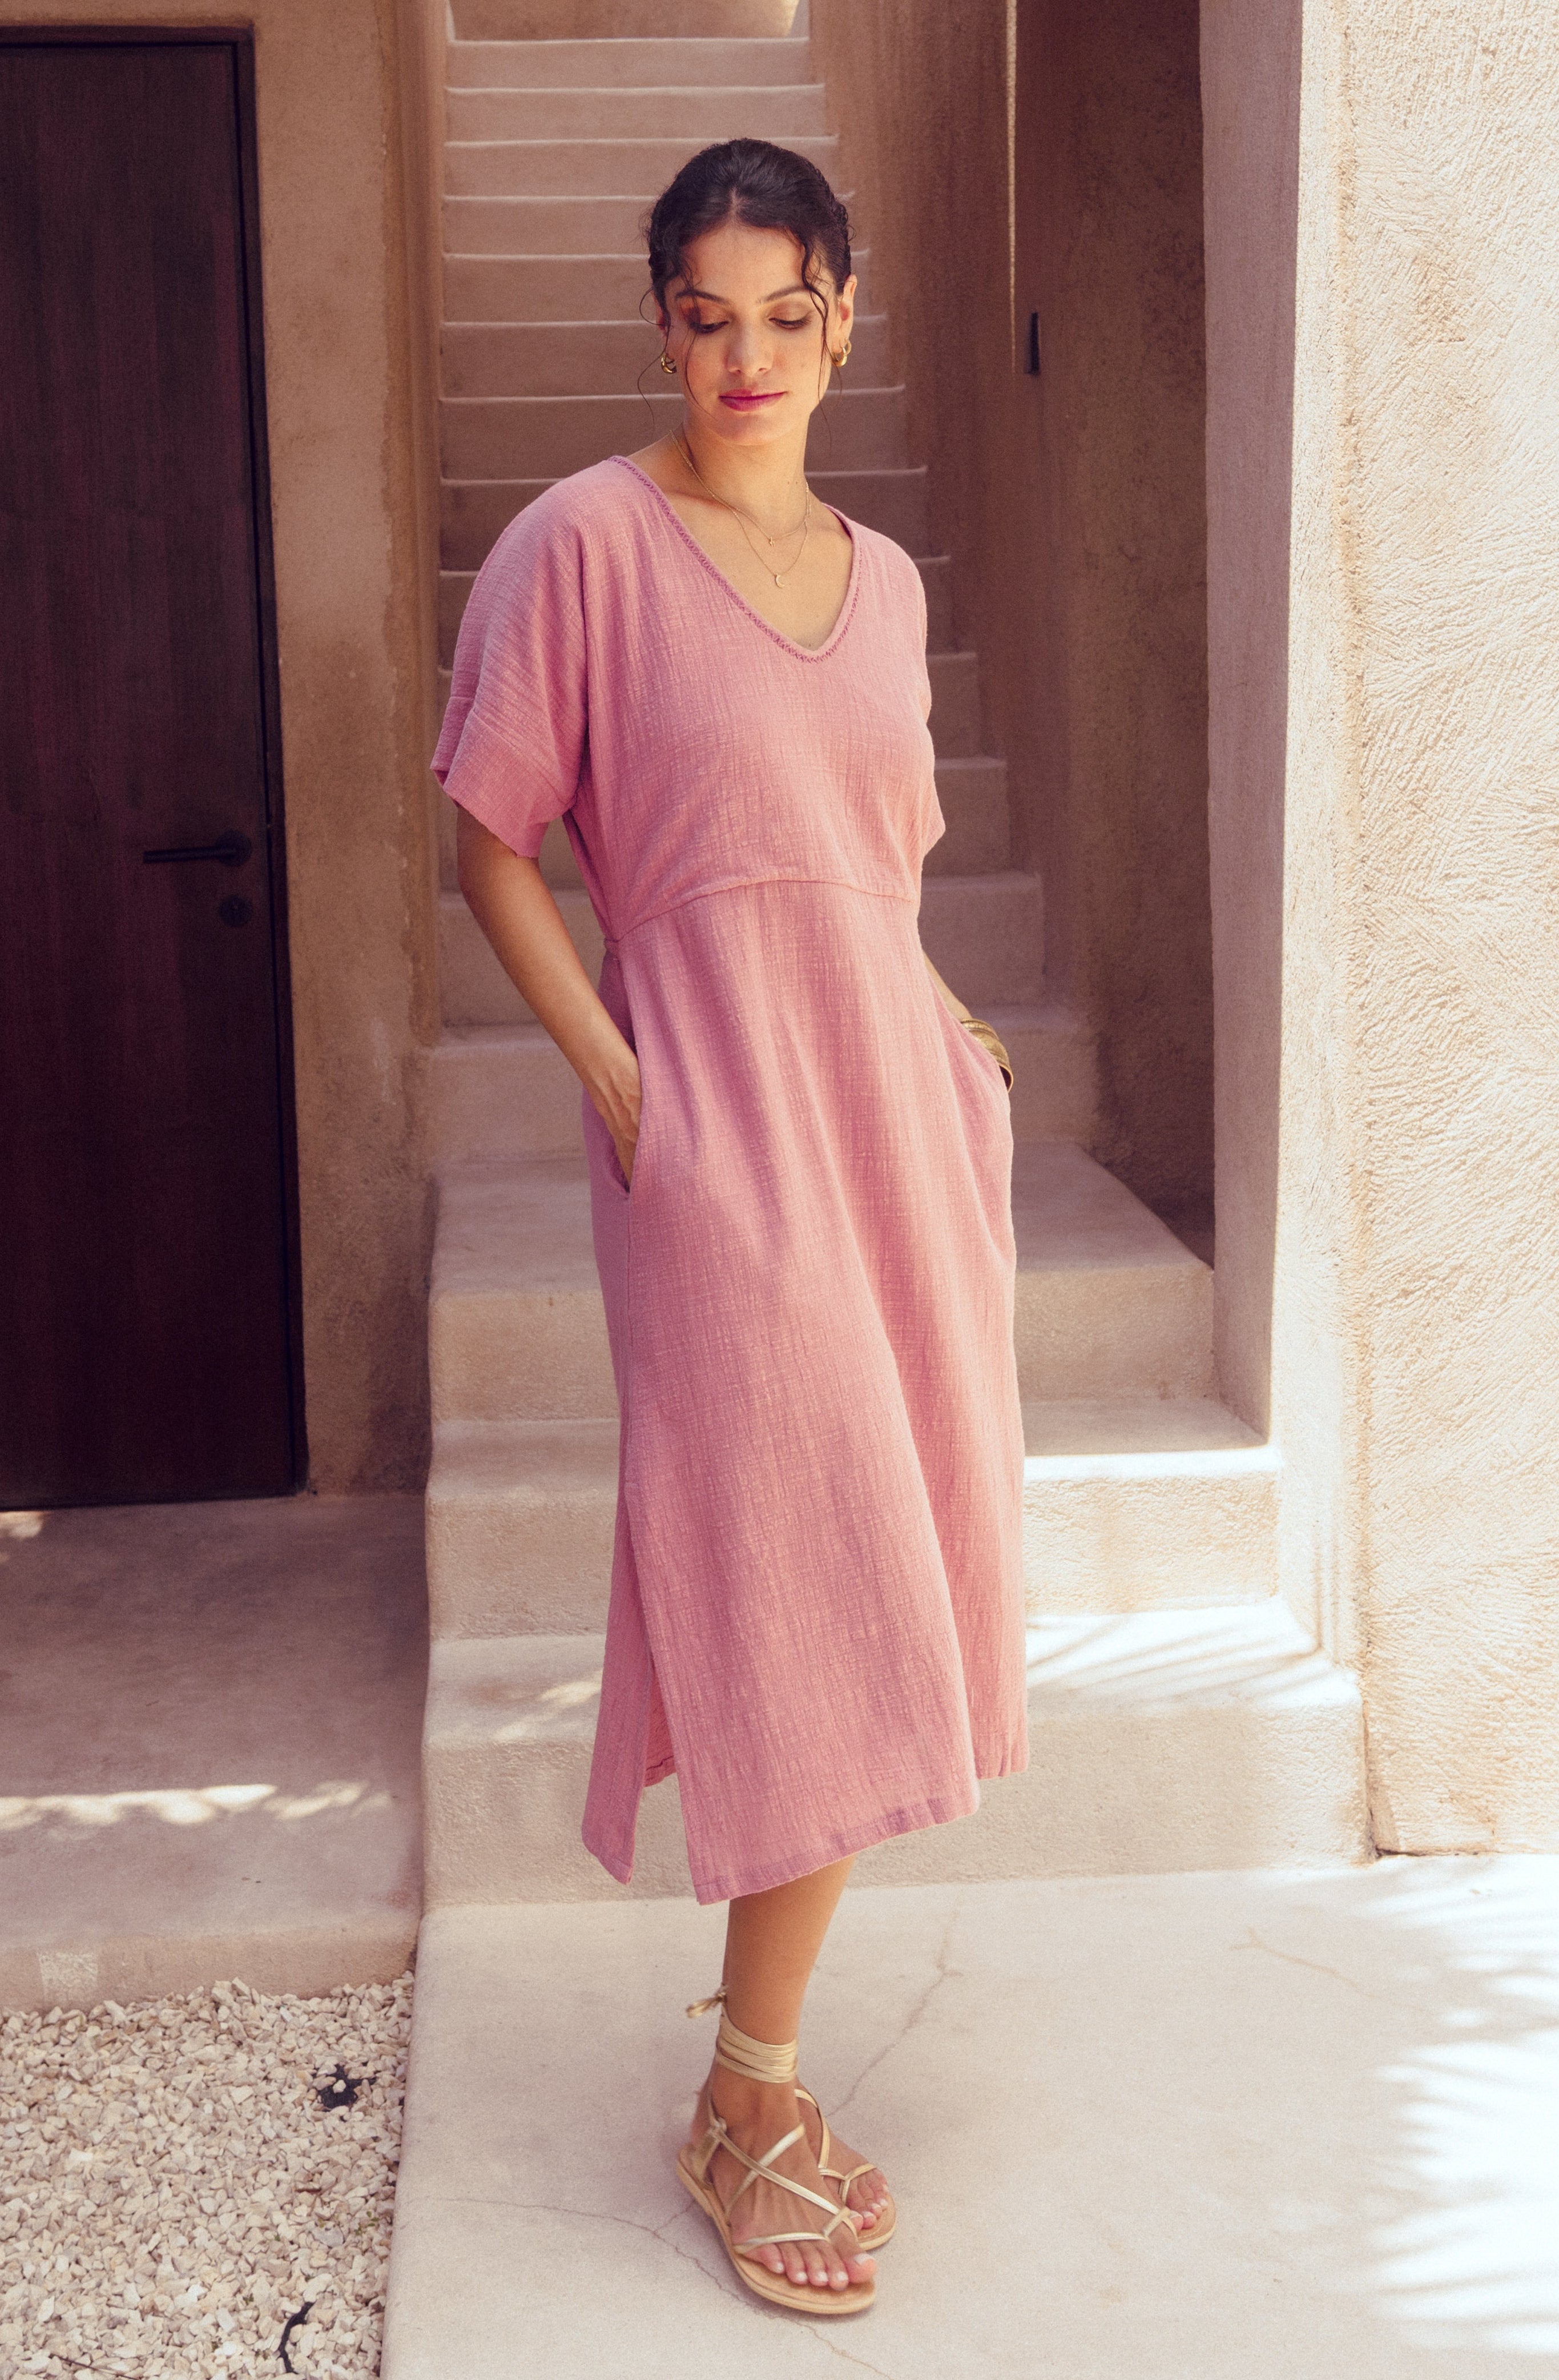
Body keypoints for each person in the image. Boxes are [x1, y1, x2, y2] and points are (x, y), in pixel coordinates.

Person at [436, 138, 1026, 2318]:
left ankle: (749, 2077)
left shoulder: (884, 583)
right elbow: (493, 836)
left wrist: (959, 1036)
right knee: (799, 1566)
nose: (747, 355)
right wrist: (613, 1075)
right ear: (660, 322)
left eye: (790, 312)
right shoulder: (580, 547)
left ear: (846, 315)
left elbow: (868, 863)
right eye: (707, 313)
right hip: (711, 1129)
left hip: (892, 1110)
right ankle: (746, 2093)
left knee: (886, 1563)